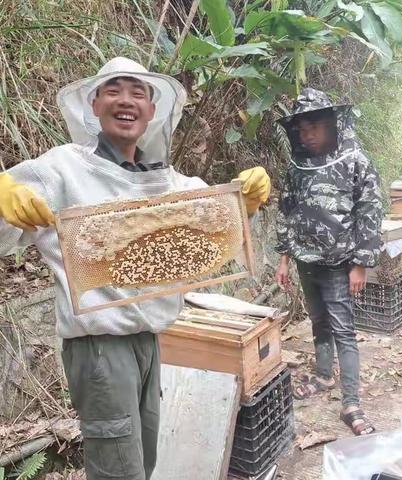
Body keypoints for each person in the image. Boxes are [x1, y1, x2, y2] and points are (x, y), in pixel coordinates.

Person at [0, 57, 271, 480]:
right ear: (93, 104)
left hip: (150, 341)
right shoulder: (59, 169)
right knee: (117, 471)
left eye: (137, 92)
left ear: (151, 110)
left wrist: (244, 204)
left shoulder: (166, 181)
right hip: (101, 349)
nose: (125, 101)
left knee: (142, 462)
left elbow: (215, 222)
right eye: (113, 90)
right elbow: (4, 235)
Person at [275, 88, 382, 436]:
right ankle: (324, 375)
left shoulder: (355, 162)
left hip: (339, 264)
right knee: (318, 321)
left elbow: (369, 212)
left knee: (343, 331)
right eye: (302, 129)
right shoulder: (297, 168)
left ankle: (352, 402)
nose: (308, 135)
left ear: (334, 125)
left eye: (315, 127)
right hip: (307, 261)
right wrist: (283, 258)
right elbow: (286, 210)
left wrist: (361, 264)